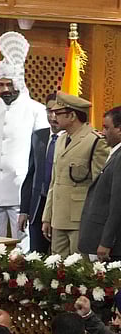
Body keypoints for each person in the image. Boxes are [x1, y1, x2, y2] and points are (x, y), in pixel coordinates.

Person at [0, 32, 48, 239]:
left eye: (9, 84)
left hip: (20, 191)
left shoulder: (36, 109)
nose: (5, 89)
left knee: (22, 249)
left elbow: (39, 154)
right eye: (1, 85)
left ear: (18, 82)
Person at [43, 92, 109, 255]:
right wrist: (47, 216)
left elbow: (99, 188)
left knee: (79, 270)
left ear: (72, 115)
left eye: (58, 113)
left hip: (80, 219)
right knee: (56, 269)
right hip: (58, 218)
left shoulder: (95, 141)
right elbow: (54, 182)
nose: (53, 117)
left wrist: (96, 223)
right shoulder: (60, 139)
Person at [78, 105, 121, 260]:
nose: (102, 133)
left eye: (106, 128)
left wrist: (106, 242)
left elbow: (117, 204)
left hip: (113, 247)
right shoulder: (114, 153)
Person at [21, 94, 58, 253]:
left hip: (59, 208)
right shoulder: (38, 136)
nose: (53, 116)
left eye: (57, 112)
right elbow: (31, 175)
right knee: (36, 256)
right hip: (38, 206)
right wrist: (24, 210)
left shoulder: (72, 140)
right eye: (49, 111)